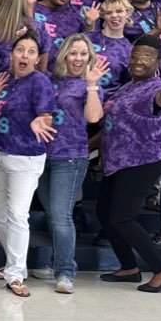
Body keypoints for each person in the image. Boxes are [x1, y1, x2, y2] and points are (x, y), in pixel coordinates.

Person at [97, 34, 161, 293]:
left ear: (158, 62)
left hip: (140, 161)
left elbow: (160, 100)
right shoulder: (126, 87)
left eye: (146, 56)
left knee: (122, 217)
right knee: (105, 214)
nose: (139, 60)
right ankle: (129, 268)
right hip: (115, 161)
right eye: (135, 55)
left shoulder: (155, 88)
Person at [32, 34, 106, 293]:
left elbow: (94, 117)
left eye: (83, 54)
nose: (78, 58)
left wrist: (92, 85)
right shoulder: (50, 80)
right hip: (43, 156)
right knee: (53, 214)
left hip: (70, 157)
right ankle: (56, 262)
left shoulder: (90, 84)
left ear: (90, 57)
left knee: (61, 215)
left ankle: (65, 272)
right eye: (73, 53)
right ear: (64, 55)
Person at [0, 32, 54, 297]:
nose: (25, 55)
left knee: (17, 214)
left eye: (31, 51)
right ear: (12, 54)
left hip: (26, 158)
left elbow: (46, 117)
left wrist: (40, 121)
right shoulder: (7, 79)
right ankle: (15, 264)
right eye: (20, 50)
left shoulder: (40, 82)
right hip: (1, 154)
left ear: (37, 58)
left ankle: (15, 274)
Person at [86, 0, 134, 94]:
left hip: (106, 100)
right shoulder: (86, 38)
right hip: (77, 94)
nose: (114, 15)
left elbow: (126, 85)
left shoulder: (129, 51)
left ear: (128, 13)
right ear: (103, 16)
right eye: (109, 13)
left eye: (119, 11)